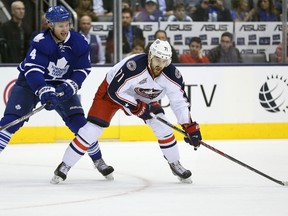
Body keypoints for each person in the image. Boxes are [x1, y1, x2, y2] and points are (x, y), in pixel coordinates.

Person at [51, 39, 202, 184]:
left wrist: (188, 126)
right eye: (157, 60)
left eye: (164, 61)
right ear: (150, 55)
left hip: (144, 97)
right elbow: (115, 91)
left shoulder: (171, 75)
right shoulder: (134, 66)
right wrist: (136, 106)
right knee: (91, 131)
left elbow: (179, 102)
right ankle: (65, 165)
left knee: (163, 128)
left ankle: (175, 164)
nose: (160, 65)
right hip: (111, 92)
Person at [0, 5, 114, 181]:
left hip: (62, 84)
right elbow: (33, 71)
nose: (65, 28)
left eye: (67, 24)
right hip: (30, 84)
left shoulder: (79, 42)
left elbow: (83, 69)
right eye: (60, 25)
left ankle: (98, 160)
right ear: (50, 25)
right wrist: (44, 90)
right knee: (11, 121)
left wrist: (71, 85)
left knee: (80, 125)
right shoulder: (40, 41)